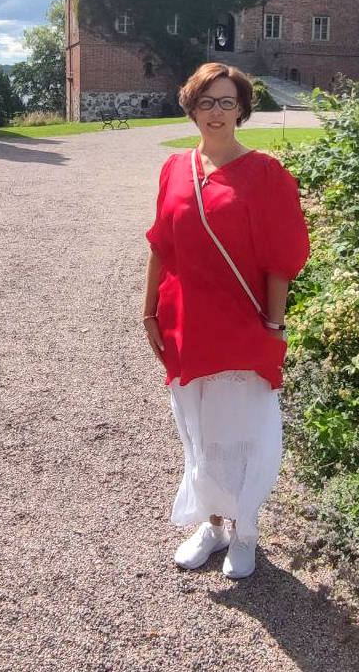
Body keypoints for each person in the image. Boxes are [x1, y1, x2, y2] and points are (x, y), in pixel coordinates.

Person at [143, 63, 309, 579]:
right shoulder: (175, 168)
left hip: (243, 324)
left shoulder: (266, 173)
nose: (215, 112)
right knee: (197, 427)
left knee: (244, 431)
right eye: (205, 102)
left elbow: (281, 258)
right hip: (185, 321)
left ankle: (245, 531)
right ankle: (212, 525)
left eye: (226, 101)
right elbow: (160, 245)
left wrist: (274, 326)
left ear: (242, 109)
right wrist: (148, 309)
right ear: (191, 107)